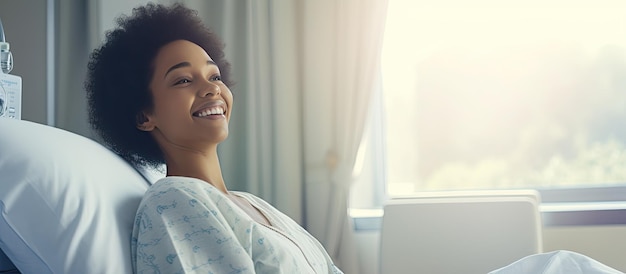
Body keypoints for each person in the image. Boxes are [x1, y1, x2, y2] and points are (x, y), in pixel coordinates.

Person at [85, 3, 343, 273]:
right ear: (144, 116)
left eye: (215, 76)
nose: (212, 89)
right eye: (183, 80)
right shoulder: (172, 201)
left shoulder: (253, 203)